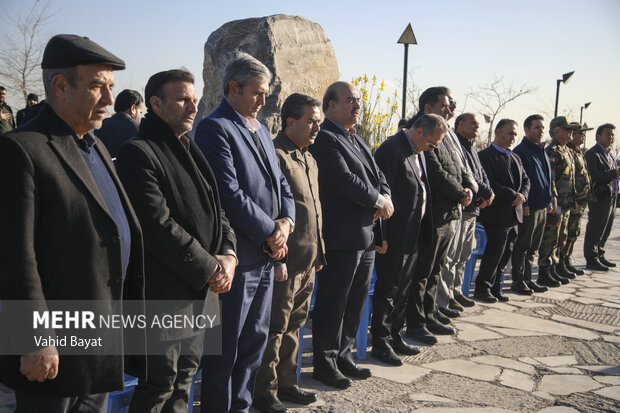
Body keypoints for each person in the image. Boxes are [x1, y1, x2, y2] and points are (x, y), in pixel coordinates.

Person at [0, 34, 145, 413]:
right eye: (99, 86)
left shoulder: (93, 144)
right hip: (53, 351)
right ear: (60, 86)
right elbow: (15, 257)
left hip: (98, 339)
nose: (111, 100)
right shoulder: (22, 150)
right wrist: (35, 338)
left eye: (111, 87)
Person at [115, 69, 237, 413]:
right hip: (165, 295)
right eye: (183, 99)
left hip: (201, 293)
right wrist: (210, 266)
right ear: (155, 103)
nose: (192, 106)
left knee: (185, 380)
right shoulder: (138, 152)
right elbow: (157, 226)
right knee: (159, 385)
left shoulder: (188, 145)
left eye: (194, 99)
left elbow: (218, 210)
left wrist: (228, 253)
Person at [195, 53, 295, 413]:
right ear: (233, 88)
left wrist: (286, 223)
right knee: (225, 352)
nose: (265, 101)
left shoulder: (262, 131)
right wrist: (271, 231)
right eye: (258, 92)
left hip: (266, 259)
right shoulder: (215, 128)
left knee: (253, 346)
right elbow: (228, 193)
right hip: (238, 259)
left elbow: (282, 183)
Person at [309, 81, 392, 389]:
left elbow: (378, 176)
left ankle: (344, 356)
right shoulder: (326, 138)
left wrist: (385, 195)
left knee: (354, 301)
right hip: (342, 236)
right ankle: (325, 363)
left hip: (366, 235)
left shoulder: (357, 139)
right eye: (349, 100)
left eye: (358, 100)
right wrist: (377, 200)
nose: (357, 105)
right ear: (330, 106)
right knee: (334, 301)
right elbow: (343, 179)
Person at [253, 93, 326, 413]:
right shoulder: (276, 155)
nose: (317, 128)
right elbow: (268, 212)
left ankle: (287, 383)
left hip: (308, 262)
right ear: (290, 121)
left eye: (319, 122)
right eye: (311, 121)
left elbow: (314, 213)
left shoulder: (309, 158)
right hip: (284, 262)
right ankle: (263, 390)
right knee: (274, 328)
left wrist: (319, 254)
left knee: (295, 325)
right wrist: (277, 258)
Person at [370, 114, 447, 366]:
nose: (432, 149)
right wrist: (381, 237)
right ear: (421, 132)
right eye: (433, 143)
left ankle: (395, 334)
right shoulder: (391, 150)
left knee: (403, 288)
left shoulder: (419, 150)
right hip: (394, 235)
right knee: (388, 288)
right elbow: (381, 196)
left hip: (413, 233)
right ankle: (381, 341)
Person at [404, 87, 474, 345]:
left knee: (436, 270)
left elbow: (458, 167)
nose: (449, 108)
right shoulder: (422, 133)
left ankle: (429, 314)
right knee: (422, 272)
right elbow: (434, 172)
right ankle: (416, 322)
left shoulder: (447, 133)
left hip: (449, 211)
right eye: (444, 104)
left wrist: (467, 187)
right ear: (427, 107)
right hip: (433, 213)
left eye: (451, 104)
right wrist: (460, 193)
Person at [475, 119, 530, 303]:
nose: (513, 137)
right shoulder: (485, 156)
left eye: (515, 134)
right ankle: (483, 288)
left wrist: (522, 195)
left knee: (506, 252)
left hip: (514, 214)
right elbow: (489, 182)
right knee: (494, 252)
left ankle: (496, 287)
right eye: (510, 133)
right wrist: (511, 195)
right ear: (498, 132)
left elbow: (526, 180)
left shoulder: (514, 156)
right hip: (496, 214)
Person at [451, 113, 494, 305]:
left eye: (477, 124)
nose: (477, 127)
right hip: (462, 207)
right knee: (453, 255)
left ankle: (457, 290)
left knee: (464, 254)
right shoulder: (455, 144)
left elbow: (481, 173)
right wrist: (483, 191)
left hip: (474, 209)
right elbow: (466, 174)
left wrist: (488, 192)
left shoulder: (472, 147)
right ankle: (448, 295)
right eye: (473, 124)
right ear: (460, 124)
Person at [511, 114, 555, 292]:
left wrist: (551, 199)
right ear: (527, 129)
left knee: (533, 247)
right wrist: (525, 204)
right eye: (536, 127)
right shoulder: (521, 151)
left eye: (542, 128)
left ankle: (529, 279)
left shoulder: (541, 150)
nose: (540, 131)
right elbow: (521, 181)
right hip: (530, 207)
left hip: (542, 206)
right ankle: (518, 280)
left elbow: (548, 178)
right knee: (523, 245)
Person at [538, 117, 577, 284]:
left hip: (566, 203)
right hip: (556, 204)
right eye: (566, 129)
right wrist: (552, 200)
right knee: (550, 237)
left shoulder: (566, 150)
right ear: (556, 131)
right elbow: (550, 179)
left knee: (561, 237)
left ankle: (553, 268)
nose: (571, 132)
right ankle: (544, 271)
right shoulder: (552, 151)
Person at [584, 123, 619, 271]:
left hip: (611, 196)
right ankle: (591, 258)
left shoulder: (610, 153)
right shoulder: (593, 154)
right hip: (599, 197)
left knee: (606, 229)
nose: (611, 137)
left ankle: (600, 254)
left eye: (612, 134)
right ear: (598, 136)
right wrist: (614, 173)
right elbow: (594, 176)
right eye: (607, 134)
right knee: (596, 228)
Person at [559, 123, 592, 276]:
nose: (582, 136)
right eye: (580, 133)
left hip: (580, 200)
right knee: (565, 233)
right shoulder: (568, 152)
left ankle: (567, 260)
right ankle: (561, 262)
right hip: (571, 201)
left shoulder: (578, 152)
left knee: (574, 232)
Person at [95, 89, 143, 158]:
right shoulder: (139, 130)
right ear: (133, 109)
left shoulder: (99, 125)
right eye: (140, 112)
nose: (140, 116)